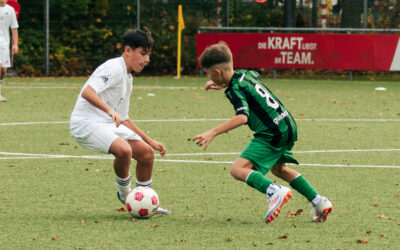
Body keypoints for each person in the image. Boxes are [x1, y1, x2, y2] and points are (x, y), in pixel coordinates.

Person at [192, 42, 332, 223]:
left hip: (272, 133)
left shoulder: (235, 90)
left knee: (237, 169)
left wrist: (212, 132)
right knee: (279, 169)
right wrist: (219, 84)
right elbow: (245, 85)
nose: (207, 76)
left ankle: (274, 191)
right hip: (287, 124)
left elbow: (242, 117)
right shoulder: (246, 73)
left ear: (217, 72)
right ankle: (319, 202)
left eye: (208, 73)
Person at [70, 29, 170, 215]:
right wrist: (109, 110)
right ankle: (126, 196)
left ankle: (145, 201)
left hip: (106, 123)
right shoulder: (114, 67)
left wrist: (150, 141)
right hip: (86, 123)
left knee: (147, 153)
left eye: (149, 54)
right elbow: (87, 92)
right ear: (127, 50)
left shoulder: (128, 78)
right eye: (143, 53)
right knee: (124, 150)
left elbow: (123, 118)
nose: (147, 59)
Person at [0, 0, 19, 102]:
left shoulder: (10, 10)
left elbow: (14, 28)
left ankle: (1, 81)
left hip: (4, 44)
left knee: (3, 70)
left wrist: (15, 44)